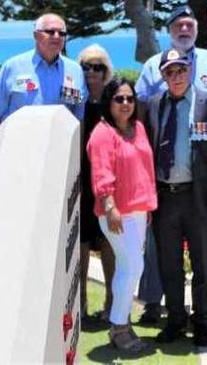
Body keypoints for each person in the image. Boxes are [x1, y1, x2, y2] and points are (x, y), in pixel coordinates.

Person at [135, 5, 207, 324]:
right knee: (165, 257)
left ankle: (206, 311)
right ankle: (162, 308)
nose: (184, 29)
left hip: (199, 190)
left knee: (205, 258)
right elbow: (141, 125)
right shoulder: (153, 79)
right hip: (164, 189)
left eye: (189, 23)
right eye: (178, 24)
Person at [88, 77, 157, 353]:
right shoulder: (102, 133)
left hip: (139, 210)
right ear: (109, 101)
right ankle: (118, 326)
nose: (126, 103)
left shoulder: (138, 128)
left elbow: (144, 168)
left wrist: (147, 206)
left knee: (131, 268)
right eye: (119, 98)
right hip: (116, 211)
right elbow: (101, 172)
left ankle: (122, 322)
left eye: (130, 98)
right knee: (131, 268)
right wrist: (109, 205)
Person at [0, 13, 87, 139]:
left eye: (62, 33)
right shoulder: (13, 66)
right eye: (50, 31)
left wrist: (77, 156)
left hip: (58, 148)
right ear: (36, 35)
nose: (57, 36)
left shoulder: (75, 71)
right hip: (16, 145)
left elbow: (78, 119)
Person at [77, 45, 116, 324]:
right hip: (78, 182)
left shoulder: (114, 103)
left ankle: (111, 304)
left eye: (98, 67)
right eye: (86, 67)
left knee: (107, 244)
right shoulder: (74, 101)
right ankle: (80, 303)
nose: (92, 72)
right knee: (79, 245)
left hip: (106, 182)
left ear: (106, 71)